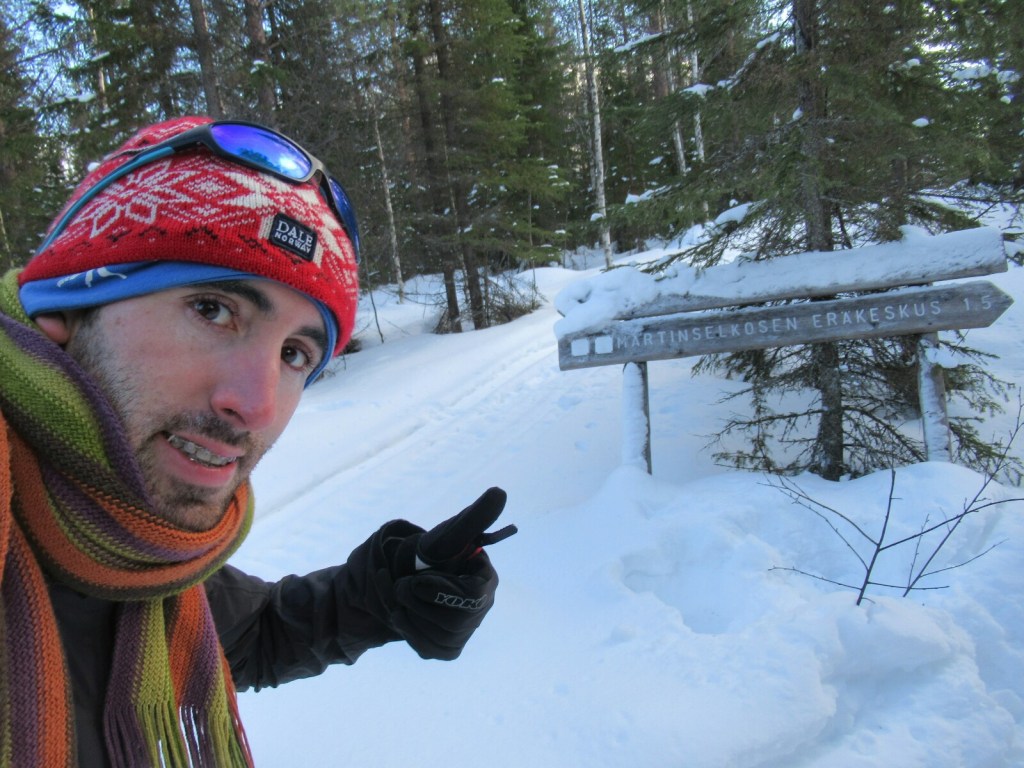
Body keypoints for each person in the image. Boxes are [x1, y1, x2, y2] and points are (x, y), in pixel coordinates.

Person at [0, 116, 515, 767]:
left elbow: (248, 634)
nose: (257, 406)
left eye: (296, 353)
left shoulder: (133, 547)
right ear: (66, 305)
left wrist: (383, 594)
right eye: (213, 310)